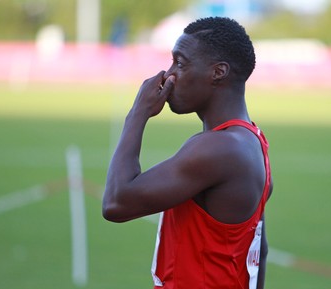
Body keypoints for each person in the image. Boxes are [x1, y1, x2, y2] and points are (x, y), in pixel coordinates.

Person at [103, 16, 273, 289]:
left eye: (180, 63)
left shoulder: (219, 148)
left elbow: (116, 202)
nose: (169, 75)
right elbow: (258, 253)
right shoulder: (254, 142)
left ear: (218, 72)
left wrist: (137, 113)